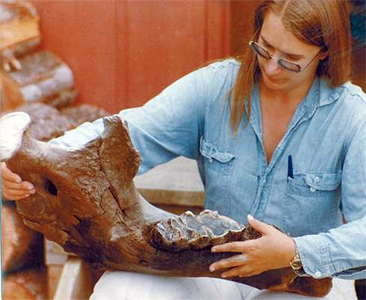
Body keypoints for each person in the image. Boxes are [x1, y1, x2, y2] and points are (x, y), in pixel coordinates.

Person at [1, 0, 365, 299]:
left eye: (290, 60)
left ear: (324, 53)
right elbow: (123, 134)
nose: (271, 67)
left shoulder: (352, 116)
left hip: (308, 281)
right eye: (264, 48)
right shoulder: (216, 86)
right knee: (123, 289)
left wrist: (295, 252)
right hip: (217, 270)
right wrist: (39, 163)